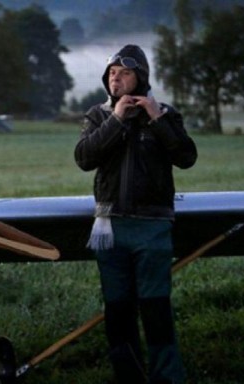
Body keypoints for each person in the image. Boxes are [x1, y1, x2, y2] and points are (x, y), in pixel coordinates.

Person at [74, 44, 197, 384]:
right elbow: (84, 158)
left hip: (153, 227)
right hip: (108, 227)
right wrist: (116, 119)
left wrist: (157, 119)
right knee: (117, 311)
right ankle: (128, 377)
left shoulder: (165, 113)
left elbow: (186, 157)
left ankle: (167, 378)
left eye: (124, 72)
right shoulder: (98, 116)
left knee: (156, 308)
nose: (116, 78)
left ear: (140, 77)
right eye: (112, 73)